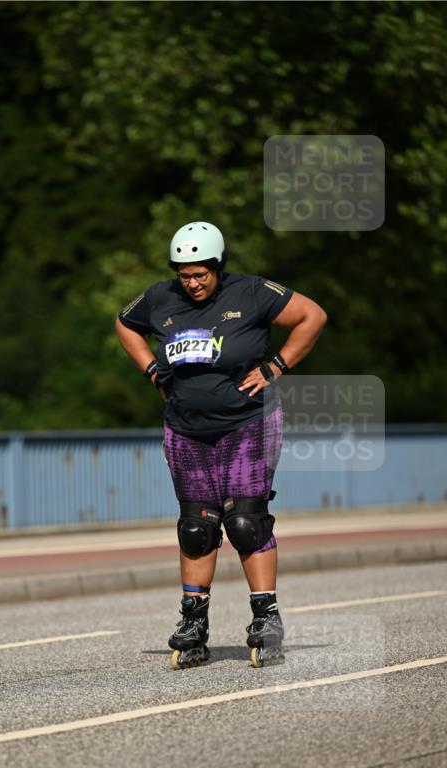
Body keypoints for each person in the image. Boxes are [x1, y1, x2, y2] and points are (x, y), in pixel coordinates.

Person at [115, 221, 327, 668]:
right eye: (184, 275)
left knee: (246, 522)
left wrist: (276, 366)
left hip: (248, 423)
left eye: (200, 274)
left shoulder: (251, 292)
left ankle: (265, 618)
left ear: (218, 265)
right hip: (185, 428)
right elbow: (124, 324)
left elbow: (313, 316)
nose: (192, 283)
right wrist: (151, 370)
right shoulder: (159, 298)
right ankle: (194, 623)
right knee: (197, 527)